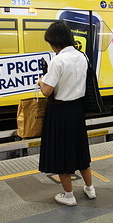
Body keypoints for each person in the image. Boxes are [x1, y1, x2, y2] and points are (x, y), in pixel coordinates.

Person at [38, 20, 96, 206]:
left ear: (56, 41)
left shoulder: (58, 60)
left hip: (60, 112)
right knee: (80, 151)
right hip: (77, 110)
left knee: (62, 153)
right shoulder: (82, 56)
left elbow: (47, 91)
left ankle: (69, 196)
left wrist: (41, 81)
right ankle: (90, 189)